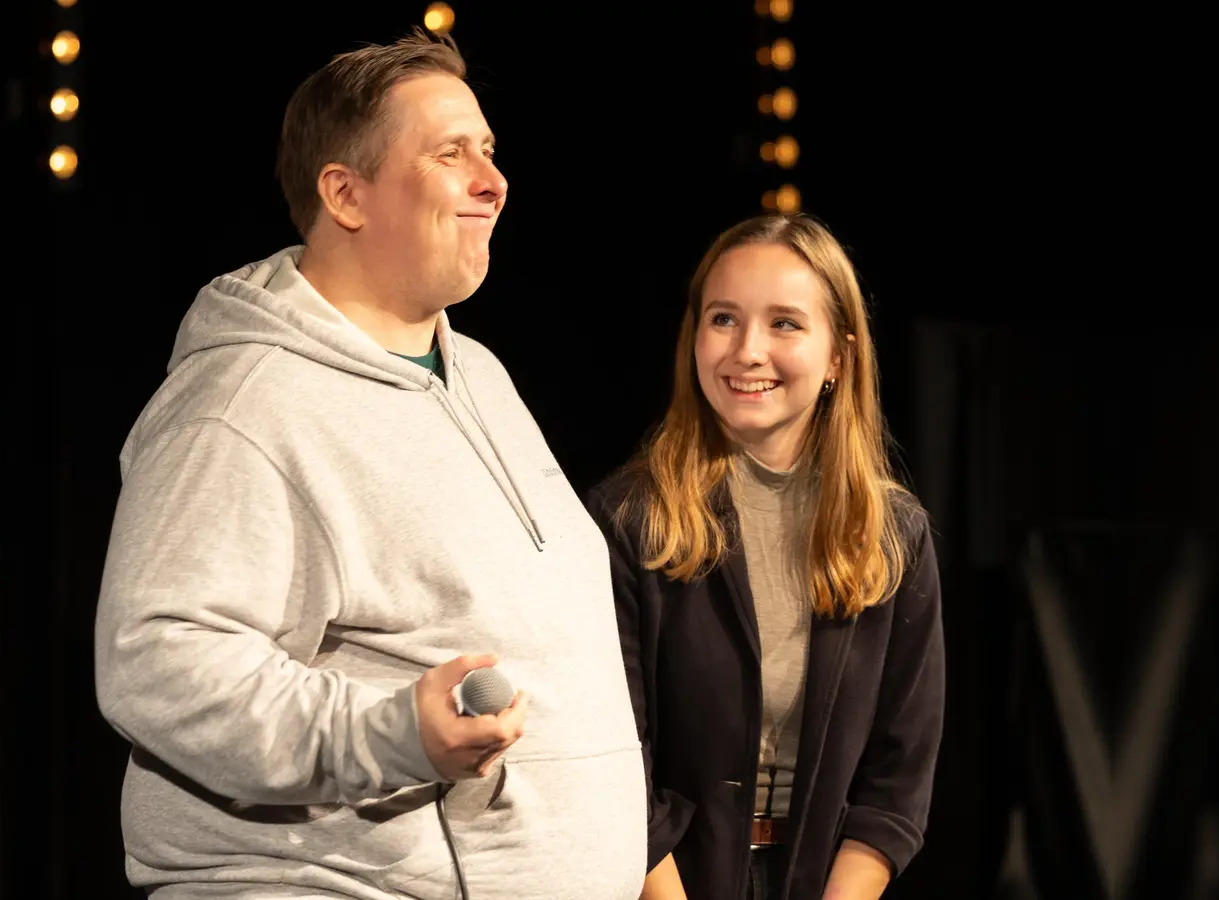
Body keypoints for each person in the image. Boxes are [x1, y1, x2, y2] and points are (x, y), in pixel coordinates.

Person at [93, 29, 645, 900]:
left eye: (490, 152)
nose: (493, 183)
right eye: (450, 154)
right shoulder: (242, 403)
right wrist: (391, 734)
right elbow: (159, 660)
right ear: (346, 195)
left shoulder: (481, 376)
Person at [586, 214, 946, 900]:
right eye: (723, 319)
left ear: (838, 356)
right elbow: (612, 762)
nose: (748, 350)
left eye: (785, 324)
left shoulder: (895, 534)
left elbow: (899, 778)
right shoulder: (627, 519)